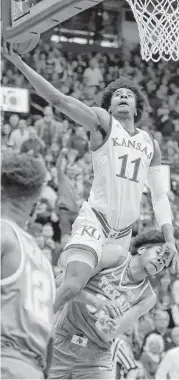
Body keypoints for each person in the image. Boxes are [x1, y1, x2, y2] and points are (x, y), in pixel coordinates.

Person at [3, 43, 178, 305]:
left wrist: (170, 238)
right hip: (96, 221)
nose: (122, 96)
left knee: (79, 289)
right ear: (108, 107)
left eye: (128, 95)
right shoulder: (104, 124)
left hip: (122, 237)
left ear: (137, 107)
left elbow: (160, 196)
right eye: (117, 94)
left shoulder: (150, 143)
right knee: (73, 286)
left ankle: (23, 302)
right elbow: (59, 101)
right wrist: (18, 63)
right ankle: (26, 330)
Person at [50, 229, 172, 379]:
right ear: (142, 249)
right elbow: (61, 283)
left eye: (165, 262)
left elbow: (110, 333)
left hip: (96, 356)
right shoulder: (115, 256)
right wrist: (96, 301)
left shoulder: (148, 297)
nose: (161, 261)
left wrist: (105, 327)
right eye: (159, 252)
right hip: (63, 340)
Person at [1, 153, 56, 379]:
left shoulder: (4, 233)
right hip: (33, 368)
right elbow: (50, 341)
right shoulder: (44, 261)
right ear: (36, 199)